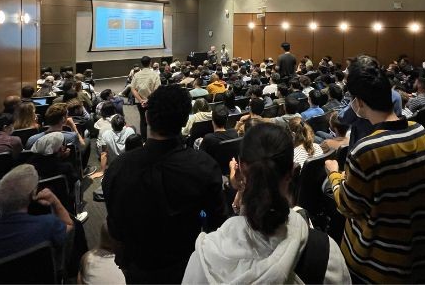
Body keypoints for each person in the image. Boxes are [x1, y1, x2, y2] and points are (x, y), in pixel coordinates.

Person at [182, 122, 351, 284]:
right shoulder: (327, 252)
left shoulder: (205, 258)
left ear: (240, 167)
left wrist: (239, 189)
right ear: (292, 170)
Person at [103, 85, 226, 283]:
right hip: (191, 267)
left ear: (148, 118)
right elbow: (212, 222)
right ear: (186, 119)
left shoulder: (117, 169)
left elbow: (115, 228)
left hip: (140, 270)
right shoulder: (205, 166)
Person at [325, 60, 425, 283]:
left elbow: (347, 206)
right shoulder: (420, 131)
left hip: (376, 259)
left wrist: (334, 174)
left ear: (359, 103)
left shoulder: (367, 149)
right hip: (418, 251)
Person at [130, 56, 161, 141]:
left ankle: (144, 140)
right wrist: (148, 100)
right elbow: (157, 89)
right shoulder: (155, 74)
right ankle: (154, 139)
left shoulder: (136, 75)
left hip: (140, 102)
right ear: (150, 63)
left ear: (141, 64)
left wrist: (141, 100)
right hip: (152, 101)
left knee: (143, 119)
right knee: (153, 119)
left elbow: (133, 89)